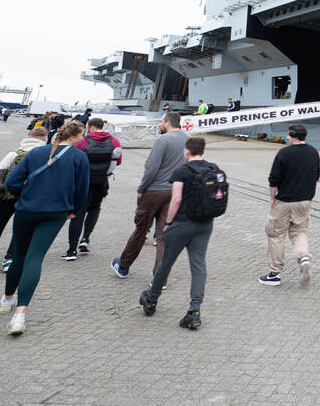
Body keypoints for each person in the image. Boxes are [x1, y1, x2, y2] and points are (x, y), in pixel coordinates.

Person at [0, 121, 89, 336]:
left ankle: (7, 299)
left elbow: (11, 181)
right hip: (56, 212)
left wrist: (26, 195)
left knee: (19, 255)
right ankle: (19, 315)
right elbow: (82, 189)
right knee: (35, 257)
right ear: (75, 137)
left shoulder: (36, 152)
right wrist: (73, 209)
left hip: (27, 209)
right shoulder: (79, 157)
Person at [138, 136, 217, 329]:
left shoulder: (182, 170)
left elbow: (176, 200)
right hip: (205, 223)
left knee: (166, 263)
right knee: (198, 265)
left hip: (182, 223)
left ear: (186, 151)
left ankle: (151, 300)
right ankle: (194, 310)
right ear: (203, 151)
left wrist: (168, 223)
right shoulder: (213, 168)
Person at [111, 111, 187, 278]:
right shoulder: (188, 139)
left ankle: (123, 266)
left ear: (168, 123)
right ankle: (160, 277)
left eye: (161, 121)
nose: (159, 124)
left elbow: (151, 168)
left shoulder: (162, 140)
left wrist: (141, 189)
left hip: (154, 191)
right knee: (163, 236)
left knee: (141, 230)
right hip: (173, 192)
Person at [0, 124, 48, 271]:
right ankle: (9, 259)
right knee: (21, 229)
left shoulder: (14, 153)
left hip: (7, 195)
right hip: (29, 198)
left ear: (29, 137)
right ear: (45, 138)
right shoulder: (45, 155)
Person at [259, 124, 319, 286]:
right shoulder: (313, 152)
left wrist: (272, 198)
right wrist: (310, 198)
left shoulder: (284, 152)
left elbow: (274, 178)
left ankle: (274, 274)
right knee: (299, 232)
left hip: (284, 201)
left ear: (293, 135)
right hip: (304, 201)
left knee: (276, 235)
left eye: (288, 135)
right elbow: (316, 175)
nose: (286, 138)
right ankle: (304, 258)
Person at [61, 117, 123, 259]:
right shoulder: (114, 141)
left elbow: (74, 159)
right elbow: (118, 161)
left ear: (91, 127)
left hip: (83, 182)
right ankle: (86, 239)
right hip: (101, 181)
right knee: (95, 208)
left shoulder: (83, 141)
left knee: (78, 212)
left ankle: (71, 251)